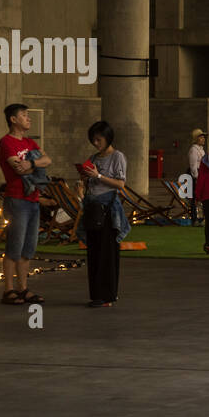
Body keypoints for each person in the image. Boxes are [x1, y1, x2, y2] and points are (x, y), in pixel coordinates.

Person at [0, 103, 52, 305]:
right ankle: (8, 290)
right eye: (24, 115)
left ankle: (23, 288)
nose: (29, 118)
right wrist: (35, 168)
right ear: (13, 119)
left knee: (28, 248)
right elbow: (18, 169)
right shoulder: (6, 142)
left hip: (33, 200)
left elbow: (47, 160)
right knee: (14, 246)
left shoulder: (30, 142)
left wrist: (33, 164)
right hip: (17, 199)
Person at [75, 121, 130, 308]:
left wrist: (98, 176)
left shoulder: (117, 157)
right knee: (94, 252)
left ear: (108, 138)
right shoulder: (94, 157)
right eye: (93, 140)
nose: (96, 143)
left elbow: (121, 184)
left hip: (108, 210)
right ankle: (96, 294)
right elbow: (91, 182)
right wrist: (84, 182)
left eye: (99, 139)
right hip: (92, 206)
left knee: (107, 253)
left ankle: (108, 295)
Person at [186, 129, 206, 225]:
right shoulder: (194, 150)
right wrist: (197, 178)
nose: (203, 139)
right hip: (195, 175)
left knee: (200, 197)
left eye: (203, 137)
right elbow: (193, 165)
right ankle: (195, 219)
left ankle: (201, 217)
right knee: (194, 197)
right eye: (201, 137)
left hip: (201, 173)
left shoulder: (201, 150)